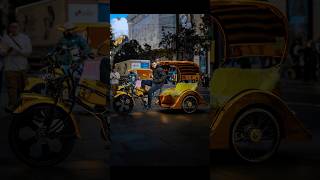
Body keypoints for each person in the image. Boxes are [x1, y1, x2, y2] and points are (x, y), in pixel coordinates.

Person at [1, 21, 32, 112]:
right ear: (9, 28)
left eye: (15, 27)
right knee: (12, 89)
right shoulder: (5, 39)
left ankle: (23, 106)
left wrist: (17, 50)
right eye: (11, 27)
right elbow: (2, 52)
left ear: (19, 28)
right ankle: (13, 107)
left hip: (22, 68)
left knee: (23, 89)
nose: (13, 29)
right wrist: (6, 52)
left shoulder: (25, 38)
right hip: (10, 68)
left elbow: (28, 52)